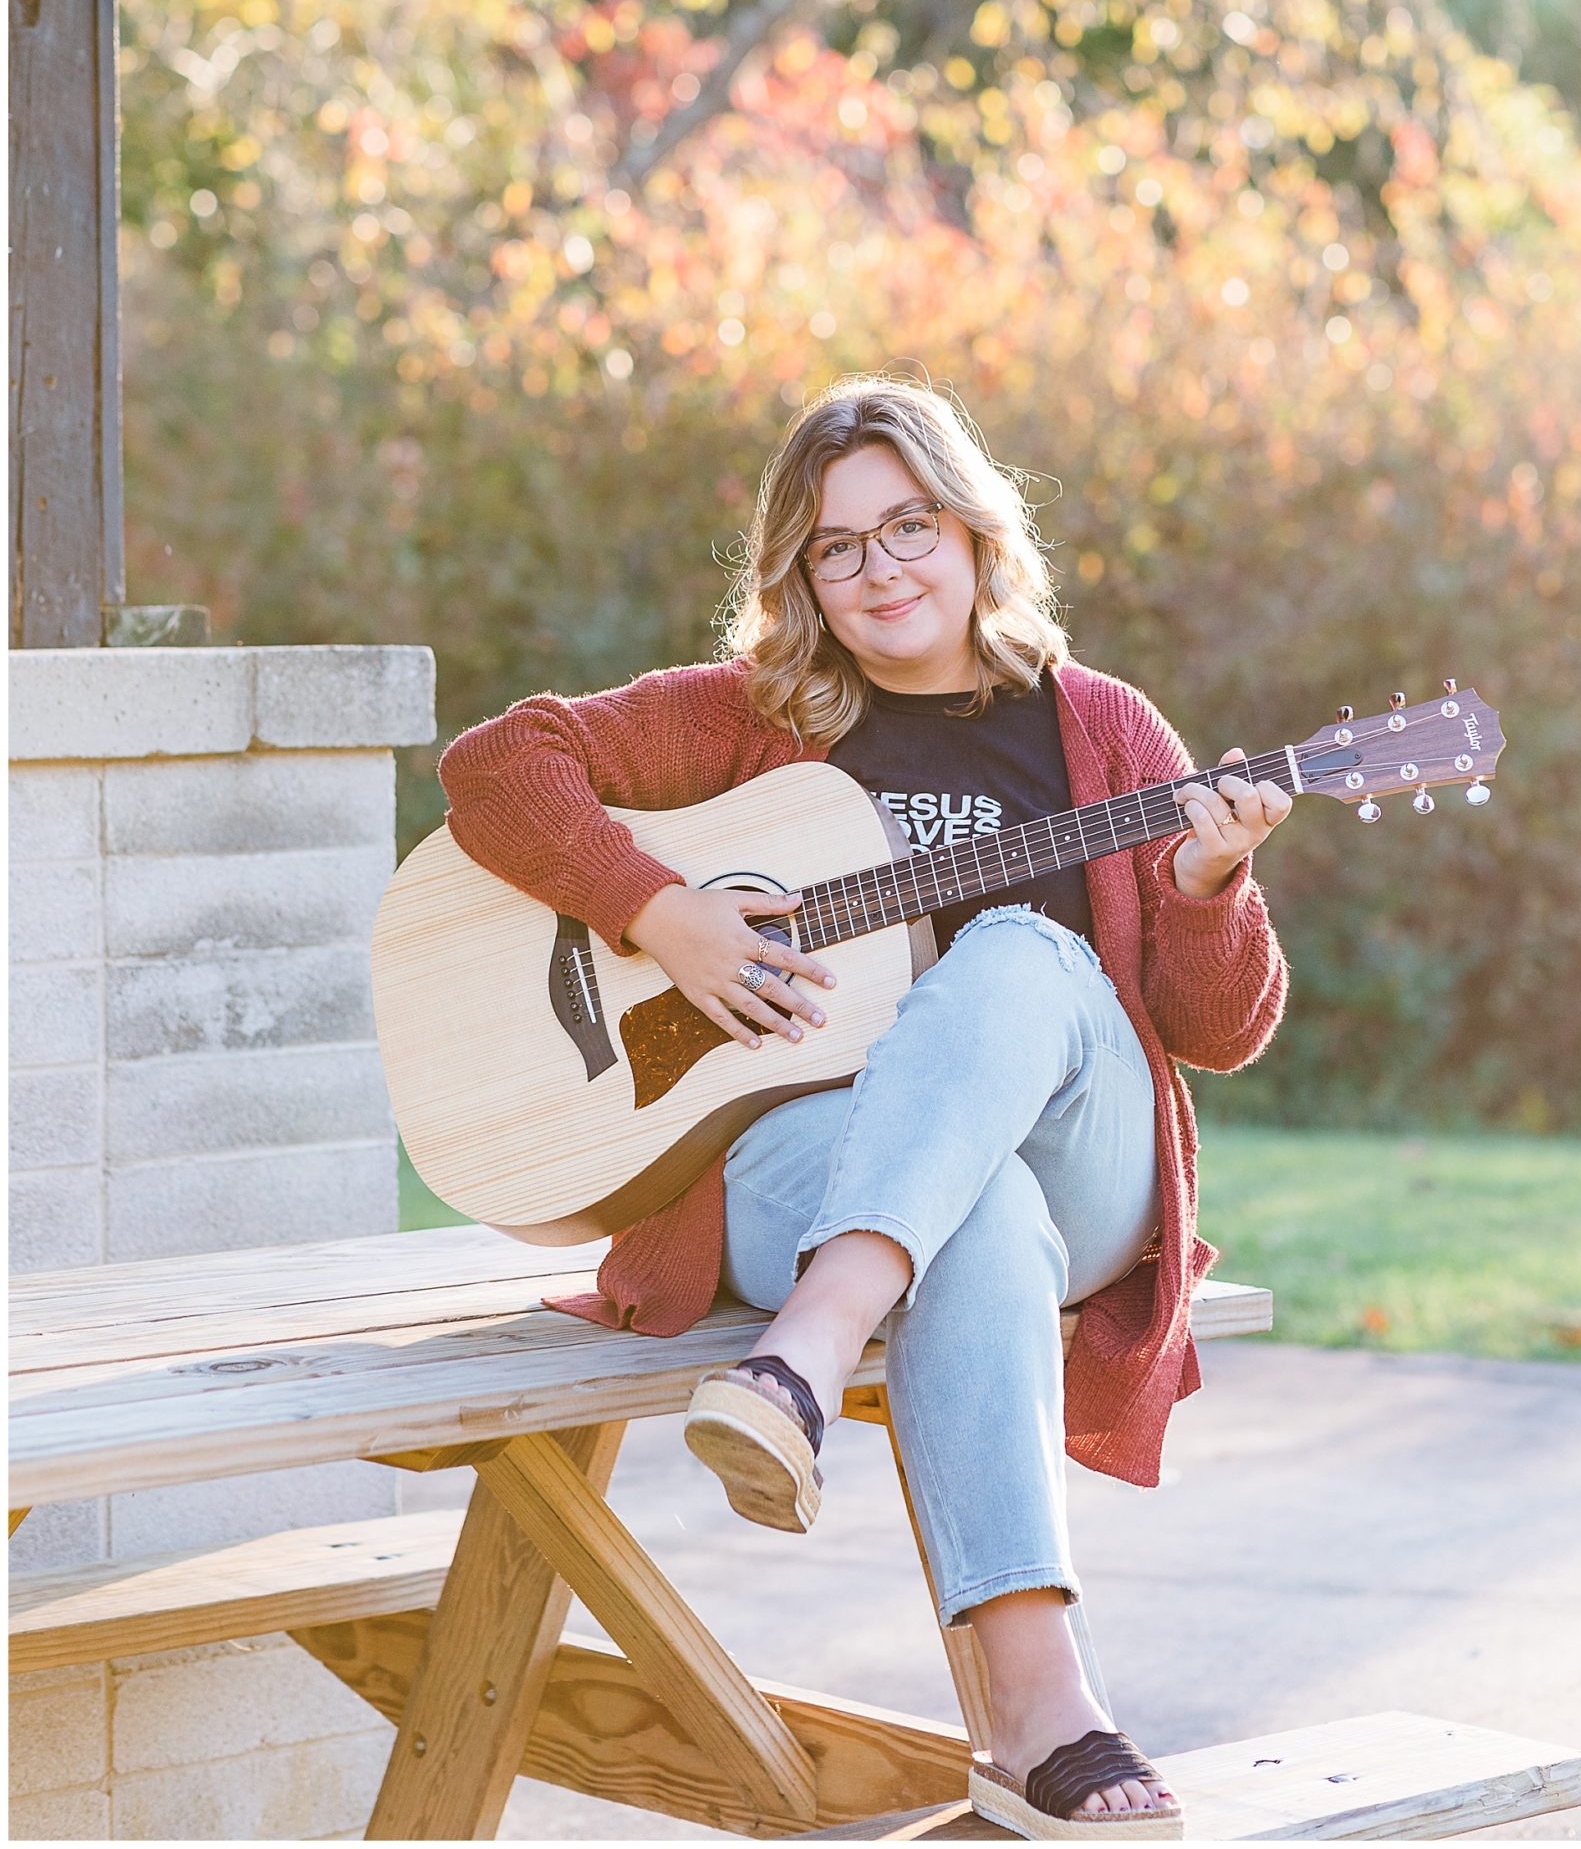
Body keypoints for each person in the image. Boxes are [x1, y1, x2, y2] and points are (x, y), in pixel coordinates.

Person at [438, 376, 1290, 1840]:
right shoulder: (756, 719)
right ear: (800, 578)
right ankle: (1045, 1721)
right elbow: (492, 770)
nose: (882, 568)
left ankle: (800, 1361)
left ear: (975, 535)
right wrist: (660, 915)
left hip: (1079, 1183)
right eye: (838, 548)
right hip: (820, 1174)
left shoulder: (1101, 732)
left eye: (909, 527)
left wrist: (1211, 887)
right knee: (973, 1213)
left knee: (1021, 954)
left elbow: (1218, 1033)